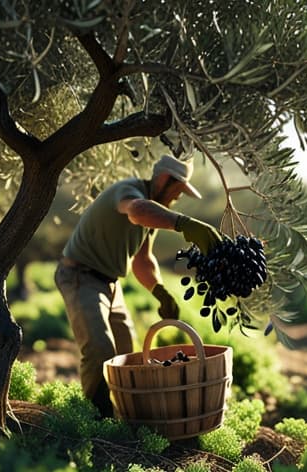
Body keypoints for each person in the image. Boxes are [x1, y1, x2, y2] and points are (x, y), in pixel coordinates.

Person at [54, 154, 222, 417]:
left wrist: (160, 291)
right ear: (165, 180)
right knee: (100, 349)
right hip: (80, 276)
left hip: (110, 283)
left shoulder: (151, 214)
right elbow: (135, 211)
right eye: (177, 192)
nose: (177, 199)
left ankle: (124, 415)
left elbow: (142, 260)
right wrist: (183, 224)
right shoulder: (130, 191)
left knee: (126, 353)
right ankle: (96, 420)